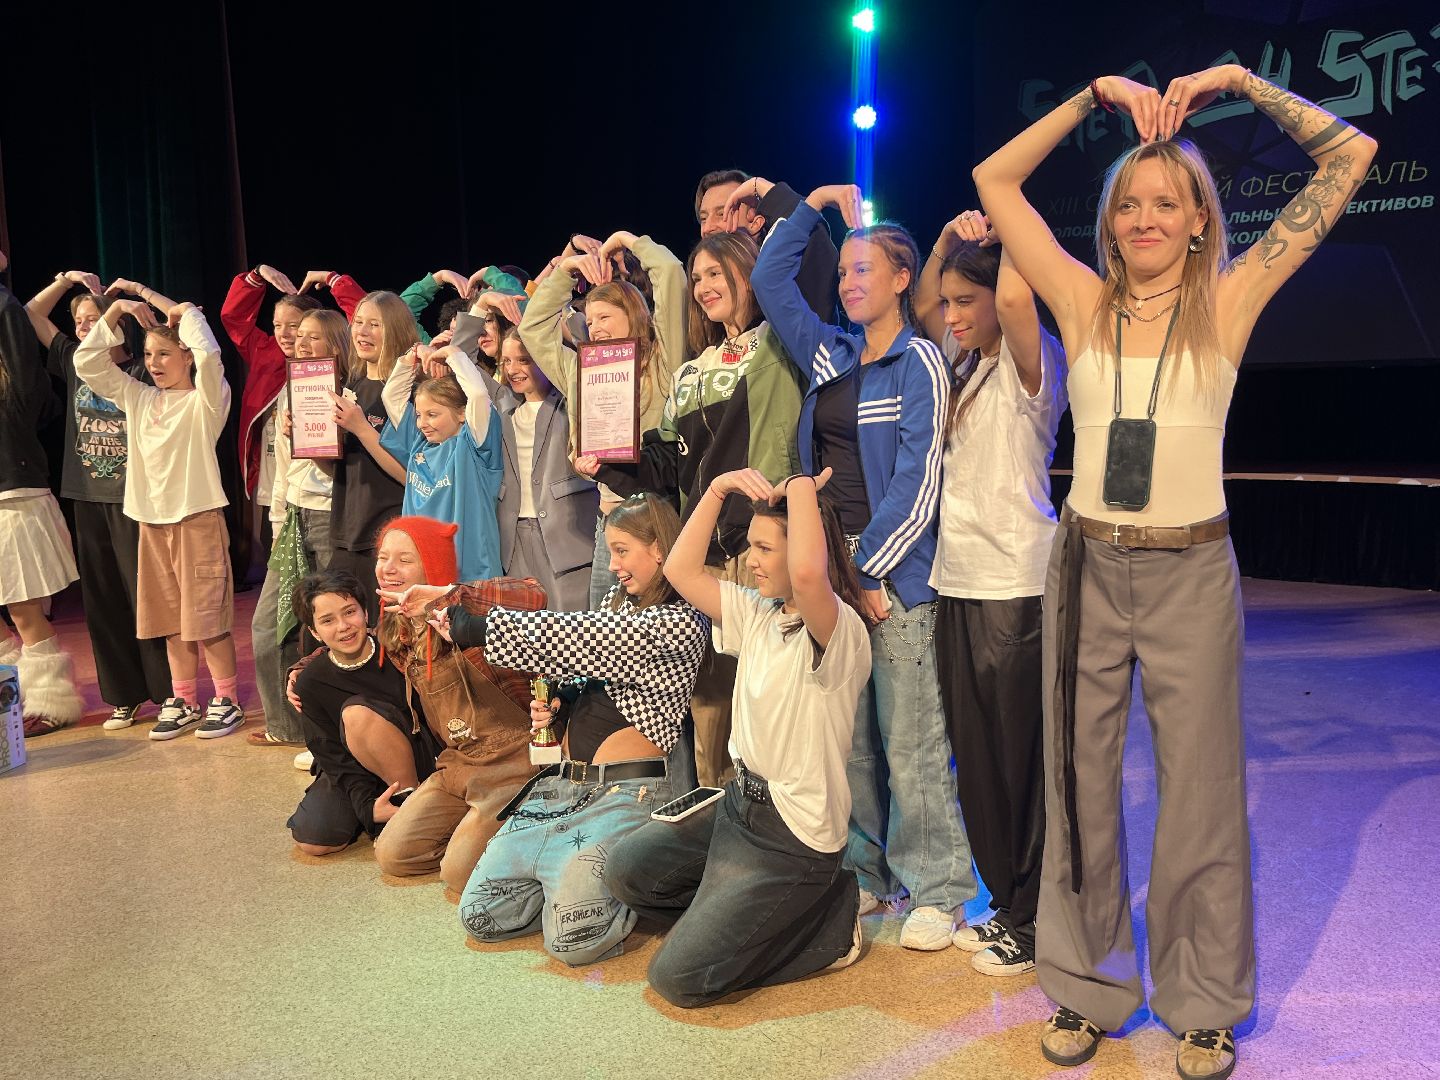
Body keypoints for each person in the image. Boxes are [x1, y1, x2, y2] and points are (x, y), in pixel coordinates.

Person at [972, 64, 1377, 1078]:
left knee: (1199, 794)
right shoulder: (1079, 297)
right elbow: (995, 182)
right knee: (1080, 785)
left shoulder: (1230, 301)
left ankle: (1202, 1002)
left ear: (1201, 221)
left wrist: (1240, 81)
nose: (1146, 218)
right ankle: (1087, 985)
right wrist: (1088, 101)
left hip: (1194, 572)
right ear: (1109, 224)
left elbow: (1352, 155)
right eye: (1130, 203)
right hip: (1087, 570)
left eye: (1168, 202)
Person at [749, 183, 977, 950]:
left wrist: (870, 572)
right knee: (852, 745)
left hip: (895, 584)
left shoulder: (921, 362)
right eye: (843, 271)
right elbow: (768, 281)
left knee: (910, 743)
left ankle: (941, 890)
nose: (849, 283)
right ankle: (874, 877)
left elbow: (920, 485)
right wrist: (809, 205)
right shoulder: (831, 354)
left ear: (903, 277)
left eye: (863, 270)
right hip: (833, 583)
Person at [604, 467, 873, 1006]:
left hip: (792, 837)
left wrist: (799, 486)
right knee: (626, 871)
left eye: (764, 548)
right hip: (737, 808)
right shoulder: (758, 613)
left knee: (676, 979)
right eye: (751, 546)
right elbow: (680, 568)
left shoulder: (840, 630)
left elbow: (808, 577)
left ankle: (830, 923)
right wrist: (716, 489)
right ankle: (736, 916)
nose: (751, 560)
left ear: (803, 549)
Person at [580, 230, 805, 785]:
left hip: (763, 548)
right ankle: (711, 835)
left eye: (716, 273)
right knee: (710, 710)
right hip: (702, 557)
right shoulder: (692, 369)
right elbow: (666, 468)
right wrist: (607, 462)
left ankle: (780, 838)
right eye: (698, 276)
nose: (704, 287)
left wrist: (784, 200)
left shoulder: (779, 344)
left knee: (772, 700)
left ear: (751, 274)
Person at [451, 493, 708, 967]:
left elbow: (582, 637)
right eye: (609, 551)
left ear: (659, 549)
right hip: (562, 789)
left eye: (623, 549)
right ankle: (561, 883)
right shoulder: (615, 602)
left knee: (575, 944)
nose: (613, 565)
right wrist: (561, 702)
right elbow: (584, 661)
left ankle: (612, 886)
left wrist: (479, 626)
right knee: (479, 916)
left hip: (627, 795)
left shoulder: (681, 619)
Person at [914, 211, 1068, 976]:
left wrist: (1005, 236)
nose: (952, 315)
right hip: (959, 580)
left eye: (963, 301)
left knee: (1021, 763)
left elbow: (1012, 302)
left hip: (1016, 583)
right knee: (975, 762)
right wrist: (946, 243)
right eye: (948, 304)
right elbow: (916, 308)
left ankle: (1037, 918)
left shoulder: (1034, 361)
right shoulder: (962, 362)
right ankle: (1007, 903)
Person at [73, 296, 245, 740]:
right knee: (170, 619)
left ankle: (226, 698)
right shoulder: (139, 398)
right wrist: (114, 313)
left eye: (164, 353)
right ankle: (184, 697)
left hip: (196, 518)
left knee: (206, 617)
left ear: (184, 355)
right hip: (151, 522)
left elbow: (210, 355)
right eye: (148, 354)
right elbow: (87, 362)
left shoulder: (206, 401)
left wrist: (185, 313)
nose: (154, 363)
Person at [23, 274, 172, 729]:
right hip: (87, 494)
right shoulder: (73, 360)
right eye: (82, 321)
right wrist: (64, 280)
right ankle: (123, 695)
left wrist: (132, 301)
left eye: (96, 319)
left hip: (136, 499)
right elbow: (30, 315)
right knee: (104, 599)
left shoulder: (144, 370)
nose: (87, 328)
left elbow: (183, 328)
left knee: (145, 597)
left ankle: (169, 694)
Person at [366, 515, 546, 892]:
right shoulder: (396, 632)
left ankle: (527, 826)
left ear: (431, 567)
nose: (389, 569)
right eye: (383, 557)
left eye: (404, 559)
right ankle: (483, 831)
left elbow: (533, 593)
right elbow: (349, 648)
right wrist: (301, 671)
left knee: (459, 875)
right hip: (459, 765)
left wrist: (447, 595)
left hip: (513, 764)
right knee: (394, 855)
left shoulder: (468, 614)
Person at [519, 230, 687, 608]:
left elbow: (671, 274)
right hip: (609, 519)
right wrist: (568, 270)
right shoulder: (583, 369)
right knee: (601, 632)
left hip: (655, 519)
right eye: (590, 321)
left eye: (604, 317)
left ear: (633, 315)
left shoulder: (661, 362)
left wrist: (628, 240)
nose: (594, 328)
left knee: (652, 630)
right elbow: (532, 329)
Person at [247, 309, 354, 747]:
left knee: (331, 623)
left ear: (335, 343)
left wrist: (323, 441)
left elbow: (346, 474)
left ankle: (334, 733)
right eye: (299, 336)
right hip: (294, 515)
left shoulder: (349, 392)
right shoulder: (292, 392)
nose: (302, 344)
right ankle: (285, 727)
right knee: (268, 625)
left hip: (332, 516)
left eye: (313, 338)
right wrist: (277, 522)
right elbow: (284, 472)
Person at [286, 568, 438, 856]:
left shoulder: (394, 649)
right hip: (355, 769)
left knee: (357, 714)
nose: (343, 626)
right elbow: (330, 753)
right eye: (328, 620)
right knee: (314, 838)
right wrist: (368, 807)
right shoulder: (310, 682)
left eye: (349, 612)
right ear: (315, 632)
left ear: (365, 613)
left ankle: (410, 806)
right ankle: (383, 812)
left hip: (413, 758)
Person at [0, 249, 85, 736]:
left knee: (22, 605)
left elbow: (30, 391)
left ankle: (51, 702)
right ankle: (14, 686)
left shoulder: (5, 310)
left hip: (13, 487)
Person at [220, 264, 360, 541]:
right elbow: (233, 317)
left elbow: (366, 318)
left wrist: (333, 280)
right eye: (277, 326)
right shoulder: (267, 354)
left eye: (294, 327)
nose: (284, 335)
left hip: (321, 491)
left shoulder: (338, 371)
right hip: (276, 478)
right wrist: (257, 275)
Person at [379, 338, 503, 583]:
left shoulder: (474, 444)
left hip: (469, 570)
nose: (423, 423)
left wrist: (454, 354)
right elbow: (391, 396)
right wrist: (412, 356)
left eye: (433, 415)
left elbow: (478, 394)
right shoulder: (419, 446)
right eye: (419, 415)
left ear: (461, 414)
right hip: (422, 568)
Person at [492, 329, 598, 613]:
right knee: (524, 636)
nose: (512, 369)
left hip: (566, 534)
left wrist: (564, 322)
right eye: (506, 361)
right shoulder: (502, 403)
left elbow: (586, 360)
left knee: (572, 635)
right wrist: (480, 306)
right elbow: (463, 360)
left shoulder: (568, 400)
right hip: (514, 535)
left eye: (524, 360)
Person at [328, 291, 417, 617]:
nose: (362, 332)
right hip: (344, 533)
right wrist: (313, 446)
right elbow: (342, 470)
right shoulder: (350, 385)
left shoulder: (408, 392)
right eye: (359, 323)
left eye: (374, 324)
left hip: (387, 538)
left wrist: (362, 427)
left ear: (394, 330)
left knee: (389, 644)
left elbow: (411, 476)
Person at [694, 170, 838, 319]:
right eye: (703, 218)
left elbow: (812, 241)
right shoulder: (706, 306)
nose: (707, 228)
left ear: (755, 222)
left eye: (723, 213)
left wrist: (762, 187)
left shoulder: (787, 284)